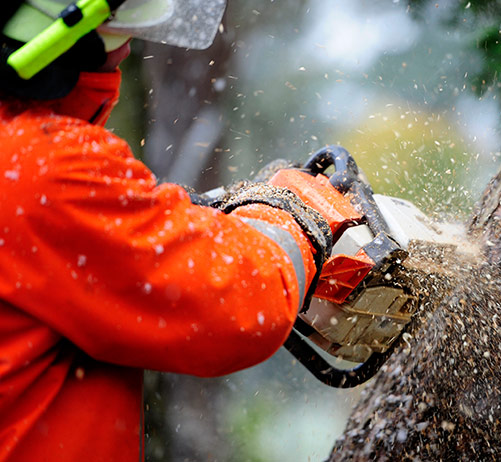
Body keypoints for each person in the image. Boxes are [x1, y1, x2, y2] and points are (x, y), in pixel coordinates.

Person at [0, 1, 332, 460]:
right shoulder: (41, 168)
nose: (129, 43)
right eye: (116, 26)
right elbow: (236, 302)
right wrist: (297, 217)